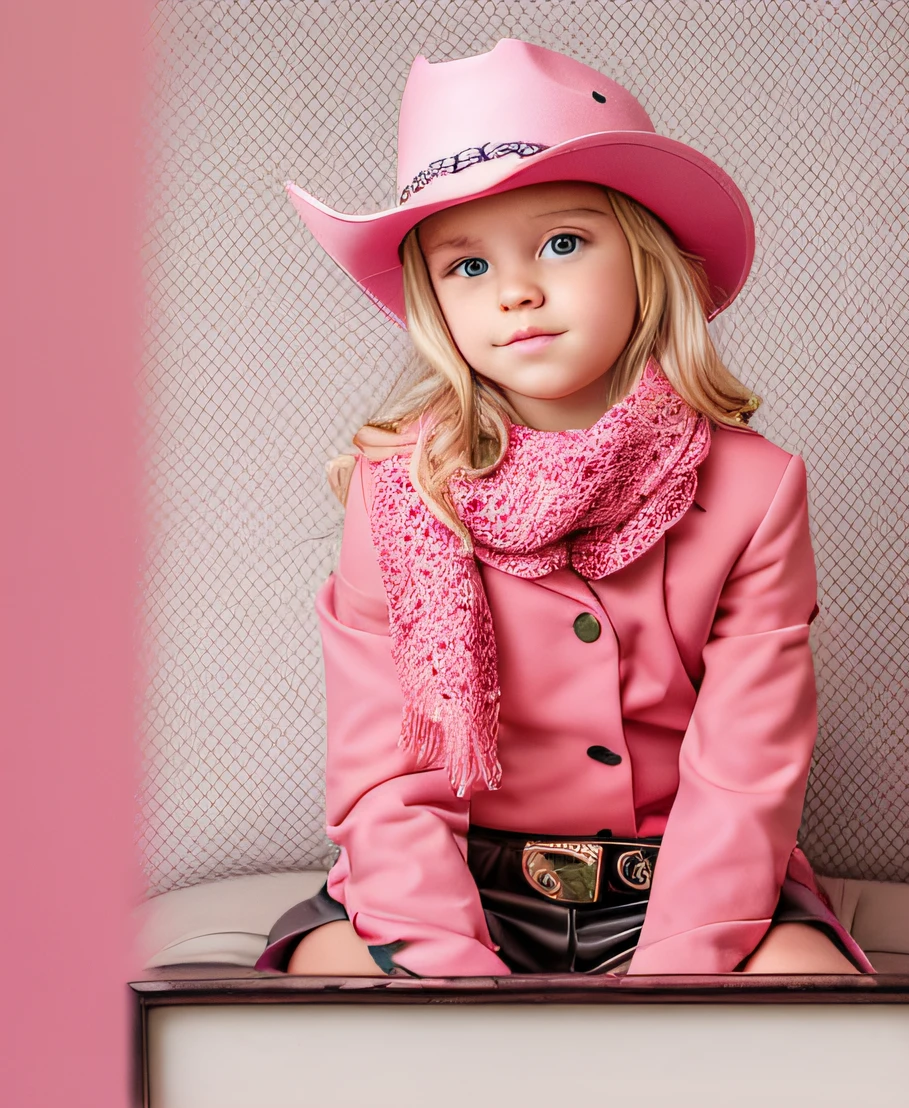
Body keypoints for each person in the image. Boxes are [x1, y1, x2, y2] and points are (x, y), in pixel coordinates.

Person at [259, 39, 866, 976]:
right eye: (467, 266)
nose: (517, 291)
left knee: (805, 988)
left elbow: (747, 770)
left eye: (563, 243)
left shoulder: (756, 487)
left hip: (685, 882)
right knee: (333, 976)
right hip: (457, 882)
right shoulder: (399, 487)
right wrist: (446, 970)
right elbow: (387, 775)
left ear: (646, 261)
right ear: (434, 300)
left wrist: (679, 974)